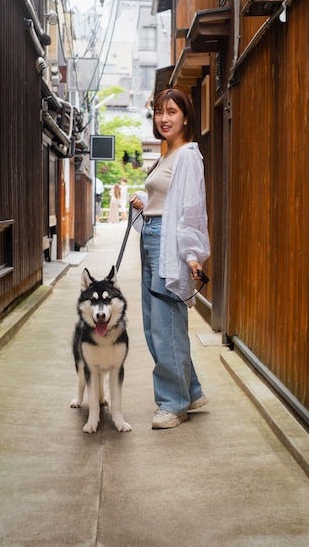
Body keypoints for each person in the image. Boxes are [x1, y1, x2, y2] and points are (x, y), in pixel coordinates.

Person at [130, 88, 211, 429]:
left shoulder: (188, 155)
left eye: (172, 112)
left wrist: (193, 255)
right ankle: (190, 391)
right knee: (156, 324)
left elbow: (191, 207)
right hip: (152, 237)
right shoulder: (166, 155)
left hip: (169, 241)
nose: (164, 119)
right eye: (159, 113)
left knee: (166, 326)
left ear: (186, 118)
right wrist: (142, 202)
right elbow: (164, 201)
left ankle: (173, 404)